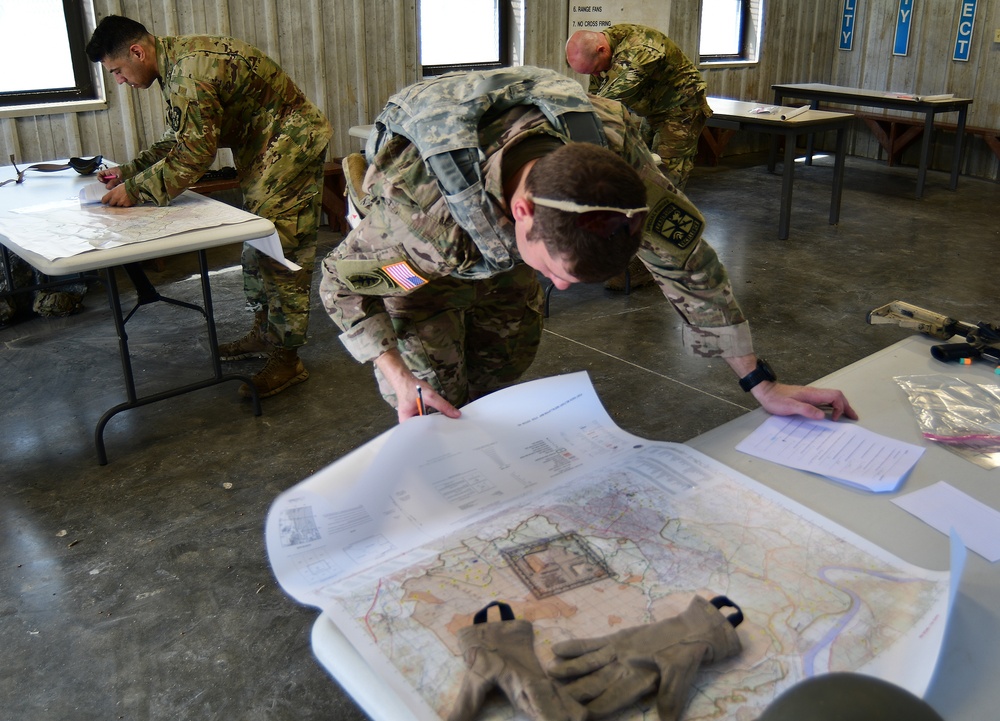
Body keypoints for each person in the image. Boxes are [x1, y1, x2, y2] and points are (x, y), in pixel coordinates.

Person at [318, 66, 857, 427]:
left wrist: (760, 382)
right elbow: (343, 287)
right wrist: (399, 375)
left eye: (572, 283)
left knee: (502, 374)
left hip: (513, 249)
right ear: (523, 213)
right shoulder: (421, 225)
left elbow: (690, 265)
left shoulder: (620, 172)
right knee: (435, 397)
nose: (557, 289)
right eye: (559, 275)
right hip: (426, 268)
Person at [85, 15, 333, 398]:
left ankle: (288, 360)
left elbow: (194, 156)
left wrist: (135, 190)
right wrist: (129, 172)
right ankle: (266, 335)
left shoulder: (187, 73)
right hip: (263, 147)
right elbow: (179, 139)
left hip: (290, 143)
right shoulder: (176, 66)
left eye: (118, 71)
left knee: (281, 249)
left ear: (137, 52)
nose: (120, 81)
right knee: (257, 245)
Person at [566, 24, 713, 290]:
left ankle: (659, 262)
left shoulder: (640, 46)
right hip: (653, 112)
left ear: (602, 49)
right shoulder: (601, 56)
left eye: (597, 69)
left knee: (666, 181)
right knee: (637, 172)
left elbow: (613, 97)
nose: (598, 74)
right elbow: (597, 99)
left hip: (681, 109)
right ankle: (633, 243)